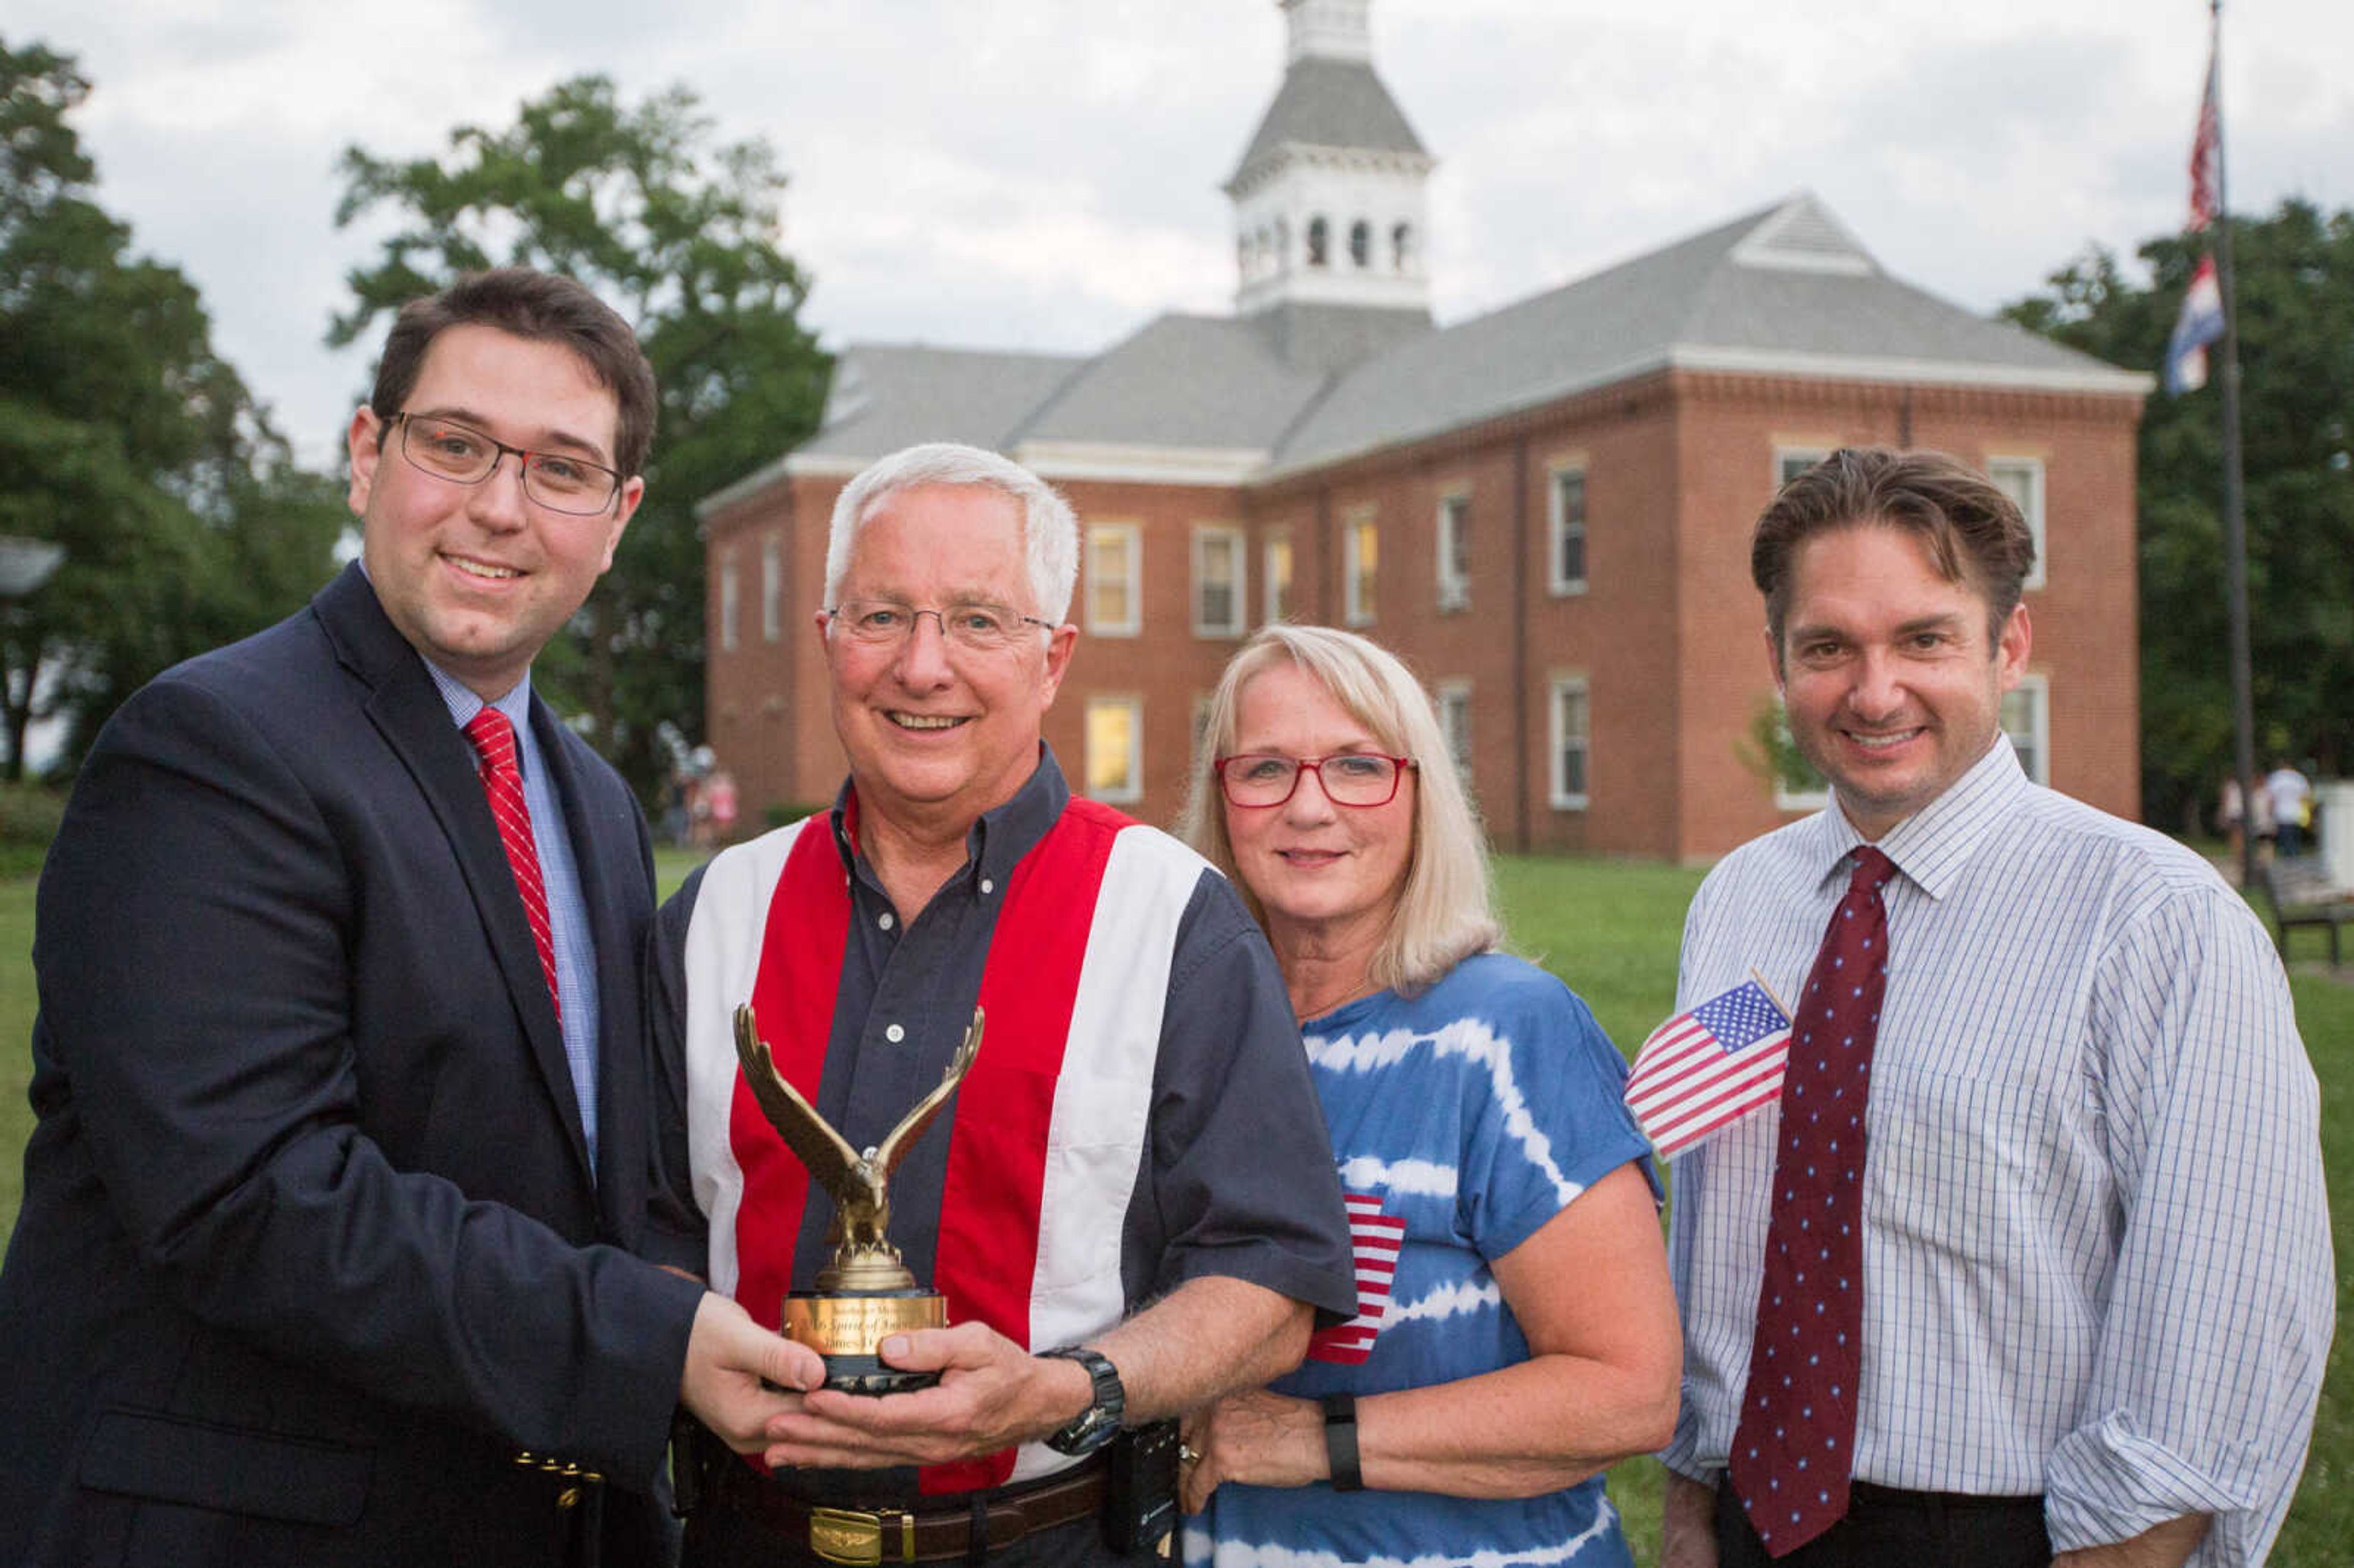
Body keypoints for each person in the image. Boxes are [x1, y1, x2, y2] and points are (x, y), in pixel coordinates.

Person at [0, 268, 813, 1567]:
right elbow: (251, 1197)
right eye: (456, 445)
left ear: (616, 519)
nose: (499, 506)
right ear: (368, 455)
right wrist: (645, 1339)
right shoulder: (213, 749)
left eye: (561, 469)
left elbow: (598, 1174)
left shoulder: (596, 806)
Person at [647, 441, 1358, 1564]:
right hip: (749, 1535)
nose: (923, 666)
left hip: (1044, 1537)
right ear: (829, 638)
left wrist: (1070, 1386)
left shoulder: (1173, 918)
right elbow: (649, 1226)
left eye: (979, 620)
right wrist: (679, 1339)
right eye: (882, 616)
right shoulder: (715, 913)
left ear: (1054, 658)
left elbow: (1275, 1273)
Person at [1657, 448, 2331, 1568]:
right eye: (1830, 647)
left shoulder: (2158, 921)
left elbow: (2224, 1327)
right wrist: (1690, 1507)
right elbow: (1717, 1234)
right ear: (1778, 658)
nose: (1875, 693)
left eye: (1924, 638)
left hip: (2013, 1533)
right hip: (1750, 1519)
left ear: (2006, 645)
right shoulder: (1740, 897)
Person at [1173, 624, 1681, 1567]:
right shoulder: (1183, 1036)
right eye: (1267, 767)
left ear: (1420, 797)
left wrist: (1313, 1438)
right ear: (1222, 797)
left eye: (1359, 766)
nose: (1310, 807)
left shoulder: (1507, 1032)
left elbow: (1631, 1390)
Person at [2263, 758, 2314, 858]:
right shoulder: (2298, 778)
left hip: (2281, 812)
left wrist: (2269, 812)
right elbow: (2306, 796)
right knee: (2295, 835)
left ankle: (2288, 855)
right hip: (2297, 812)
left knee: (2285, 836)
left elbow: (2270, 797)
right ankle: (2295, 854)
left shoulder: (2275, 778)